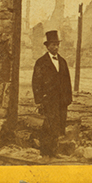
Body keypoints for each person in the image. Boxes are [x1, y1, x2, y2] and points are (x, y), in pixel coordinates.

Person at [32, 30, 73, 158]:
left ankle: (54, 151)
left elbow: (67, 81)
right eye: (53, 45)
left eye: (57, 44)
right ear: (47, 46)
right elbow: (36, 82)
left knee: (58, 125)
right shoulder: (41, 62)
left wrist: (68, 99)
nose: (55, 47)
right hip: (47, 100)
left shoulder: (63, 62)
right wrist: (39, 101)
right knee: (47, 126)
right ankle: (45, 152)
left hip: (61, 101)